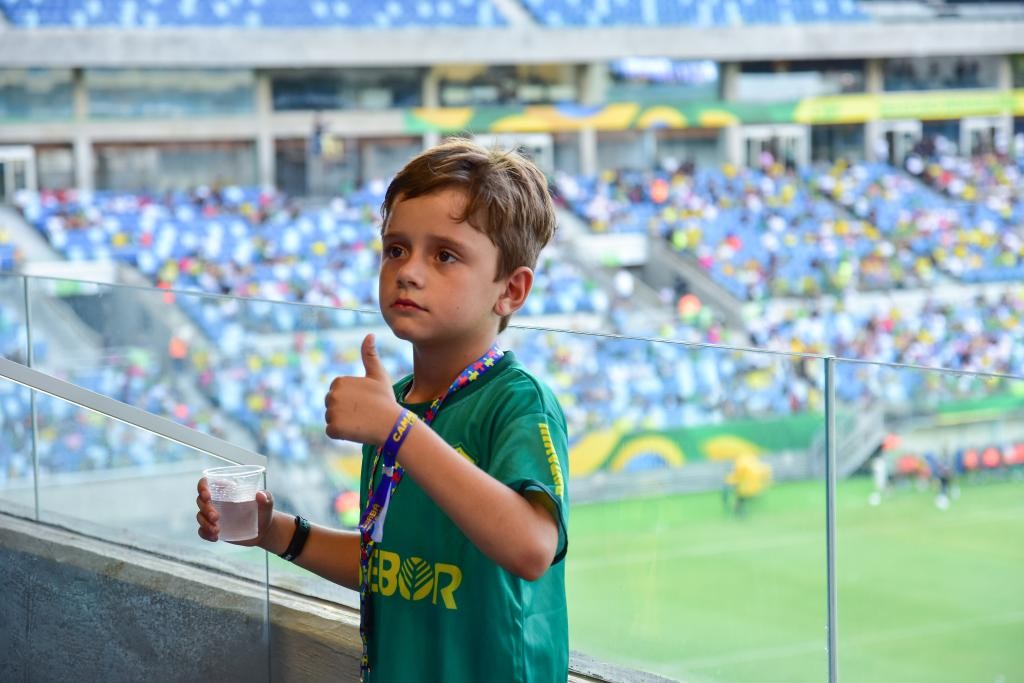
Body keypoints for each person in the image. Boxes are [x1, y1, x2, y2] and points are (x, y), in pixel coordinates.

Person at [195, 139, 569, 682]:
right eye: (396, 249)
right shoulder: (396, 407)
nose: (408, 271)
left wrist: (397, 431)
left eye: (444, 255)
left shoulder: (516, 401)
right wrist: (273, 531)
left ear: (510, 290)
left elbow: (532, 549)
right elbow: (392, 569)